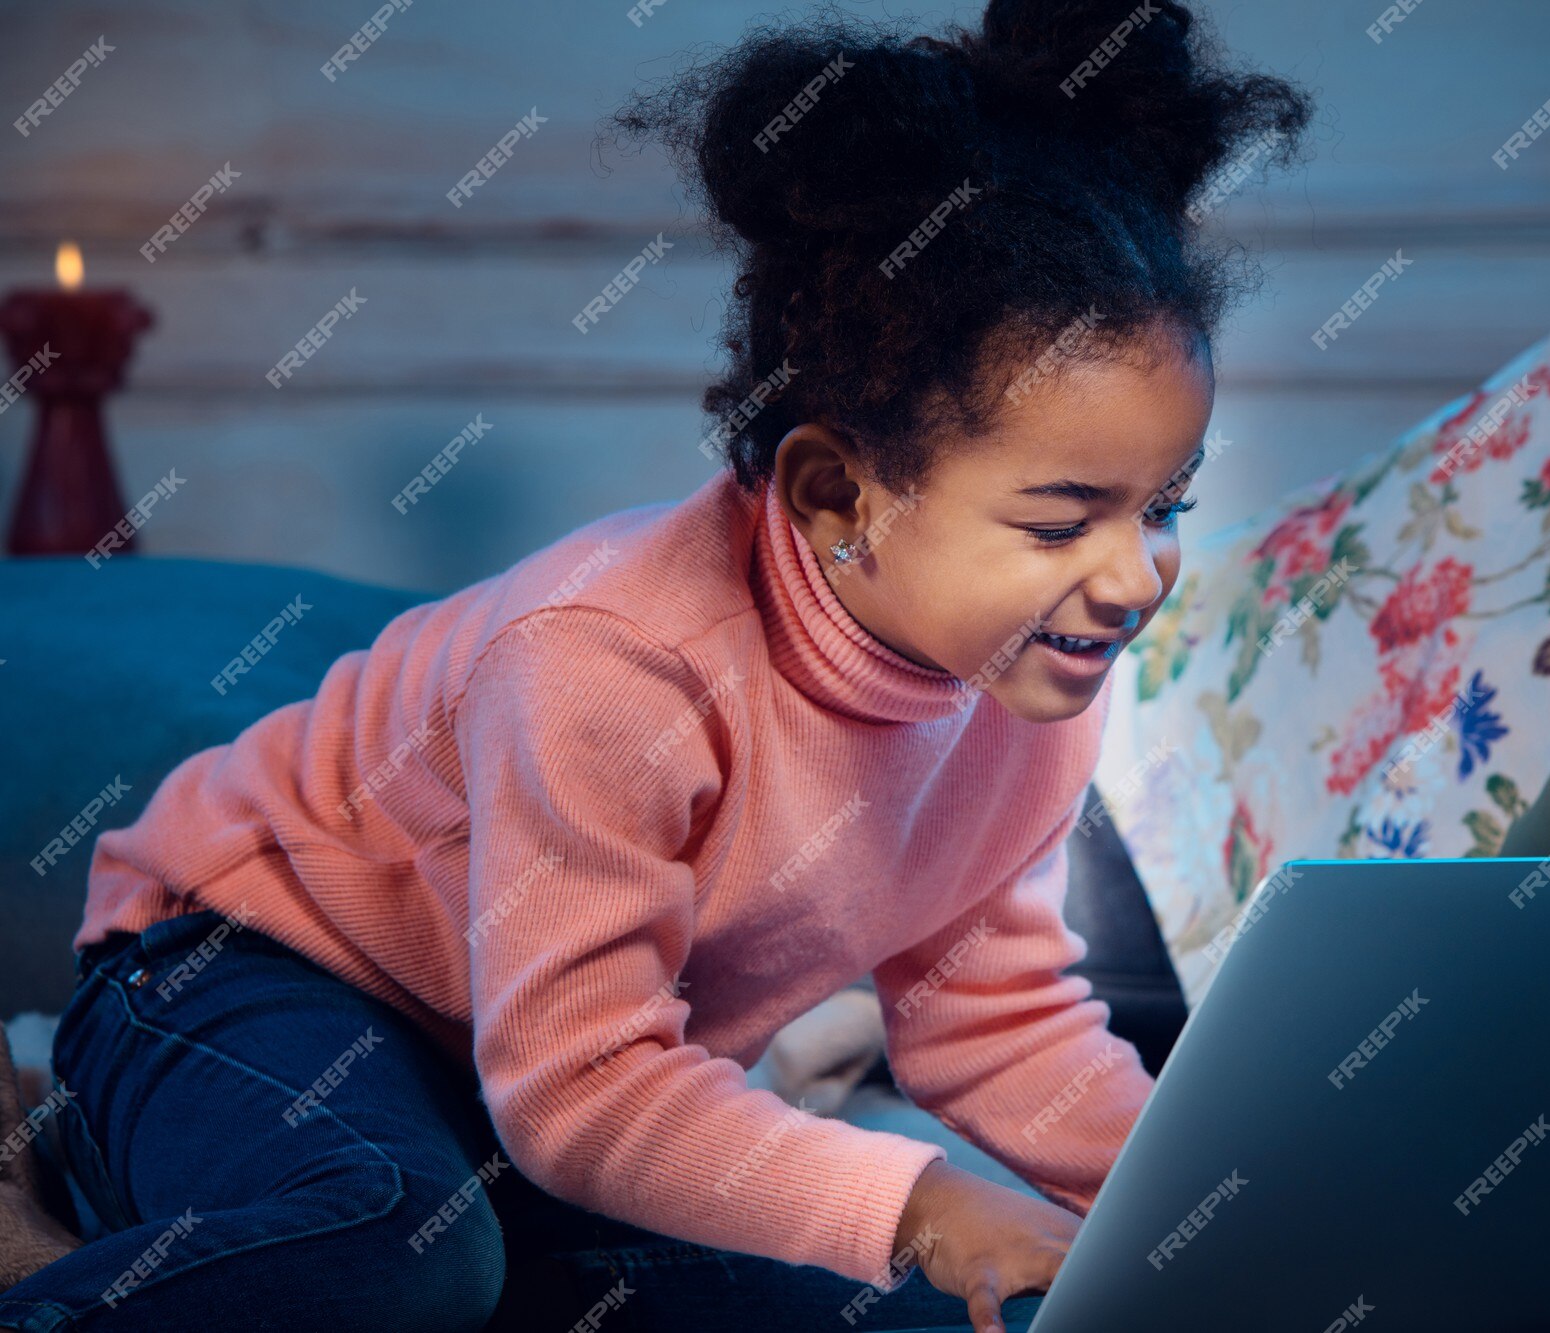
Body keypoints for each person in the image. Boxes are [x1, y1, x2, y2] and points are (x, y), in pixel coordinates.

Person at [0, 1, 1313, 1328]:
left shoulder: (1031, 687)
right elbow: (581, 1085)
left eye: (1166, 507)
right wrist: (918, 1198)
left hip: (508, 1101)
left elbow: (998, 1021)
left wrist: (1223, 1208)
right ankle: (55, 1222)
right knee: (400, 1239)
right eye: (1059, 519)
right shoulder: (613, 661)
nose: (1137, 573)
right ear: (838, 496)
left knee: (912, 1311)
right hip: (247, 976)